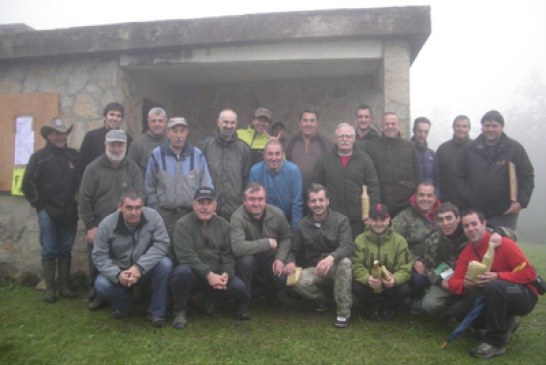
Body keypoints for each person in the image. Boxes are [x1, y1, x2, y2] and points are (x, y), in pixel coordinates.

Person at [445, 209, 538, 359]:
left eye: (474, 224)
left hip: (523, 293)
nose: (471, 229)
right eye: (466, 226)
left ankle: (495, 343)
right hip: (492, 293)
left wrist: (498, 276)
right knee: (458, 312)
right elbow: (454, 282)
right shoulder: (468, 251)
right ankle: (505, 323)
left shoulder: (504, 244)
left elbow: (529, 273)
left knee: (494, 286)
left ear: (484, 224)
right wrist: (465, 284)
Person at [79, 129, 143, 310]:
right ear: (106, 146)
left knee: (131, 256)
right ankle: (98, 293)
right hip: (99, 224)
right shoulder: (92, 168)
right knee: (97, 258)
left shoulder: (132, 167)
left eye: (120, 145)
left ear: (126, 146)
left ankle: (132, 290)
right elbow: (84, 199)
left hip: (128, 224)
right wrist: (90, 226)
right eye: (113, 145)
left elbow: (140, 194)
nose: (116, 149)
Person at [170, 187, 251, 329]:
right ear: (193, 204)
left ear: (215, 205)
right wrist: (208, 274)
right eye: (201, 203)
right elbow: (185, 255)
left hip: (217, 274)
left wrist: (226, 273)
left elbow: (228, 255)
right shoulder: (182, 224)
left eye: (209, 203)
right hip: (194, 273)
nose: (205, 207)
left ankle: (209, 300)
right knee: (181, 273)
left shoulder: (224, 225)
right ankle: (180, 311)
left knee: (239, 287)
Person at [92, 189, 172, 327]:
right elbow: (99, 255)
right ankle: (123, 304)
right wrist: (117, 275)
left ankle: (157, 312)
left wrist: (139, 267)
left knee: (165, 264)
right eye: (129, 208)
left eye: (138, 208)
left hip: (145, 267)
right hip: (119, 269)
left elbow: (163, 244)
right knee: (101, 285)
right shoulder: (107, 224)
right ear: (120, 207)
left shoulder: (153, 217)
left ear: (143, 207)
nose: (134, 212)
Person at [22, 118, 80, 303]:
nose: (61, 137)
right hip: (47, 212)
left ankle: (64, 287)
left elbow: (83, 179)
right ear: (48, 135)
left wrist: (78, 196)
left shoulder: (74, 156)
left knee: (65, 249)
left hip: (70, 211)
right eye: (56, 133)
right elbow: (27, 185)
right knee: (49, 250)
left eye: (63, 133)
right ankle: (50, 289)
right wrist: (40, 206)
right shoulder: (38, 157)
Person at [287, 184, 354, 328]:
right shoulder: (302, 225)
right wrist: (291, 262)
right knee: (294, 281)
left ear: (327, 201)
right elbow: (294, 250)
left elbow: (347, 246)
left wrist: (331, 258)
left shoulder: (341, 220)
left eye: (321, 200)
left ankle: (343, 312)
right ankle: (321, 299)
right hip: (315, 270)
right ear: (309, 204)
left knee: (346, 263)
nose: (317, 204)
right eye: (313, 201)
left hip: (336, 268)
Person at [454, 110, 534, 230]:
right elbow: (458, 177)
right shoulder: (469, 150)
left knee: (503, 247)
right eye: (487, 125)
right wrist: (469, 198)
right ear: (482, 127)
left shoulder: (514, 149)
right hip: (476, 215)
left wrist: (521, 202)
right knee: (479, 248)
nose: (490, 129)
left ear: (502, 127)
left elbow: (527, 176)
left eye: (494, 126)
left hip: (505, 214)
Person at [144, 116, 213, 241]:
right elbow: (149, 185)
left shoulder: (197, 155)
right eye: (175, 131)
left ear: (187, 133)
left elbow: (206, 184)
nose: (179, 135)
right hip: (164, 216)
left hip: (191, 215)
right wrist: (155, 209)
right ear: (168, 133)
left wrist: (203, 208)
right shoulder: (157, 154)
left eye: (182, 131)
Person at [312, 123, 380, 237]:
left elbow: (373, 188)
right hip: (332, 218)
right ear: (335, 139)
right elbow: (316, 186)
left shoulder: (365, 160)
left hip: (358, 219)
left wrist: (373, 212)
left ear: (354, 139)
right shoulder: (324, 160)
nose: (344, 139)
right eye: (341, 136)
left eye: (348, 136)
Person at [230, 183, 292, 306]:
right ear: (244, 201)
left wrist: (280, 259)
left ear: (265, 200)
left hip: (270, 258)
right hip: (247, 259)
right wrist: (266, 243)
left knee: (281, 277)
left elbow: (287, 238)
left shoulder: (277, 213)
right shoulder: (237, 217)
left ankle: (269, 294)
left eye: (260, 199)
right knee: (246, 262)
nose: (256, 203)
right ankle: (243, 301)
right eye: (252, 199)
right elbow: (237, 247)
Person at [352, 203, 412, 320]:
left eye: (383, 219)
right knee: (357, 287)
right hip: (370, 284)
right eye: (374, 219)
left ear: (389, 219)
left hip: (389, 284)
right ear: (368, 220)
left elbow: (405, 268)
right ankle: (370, 307)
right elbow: (356, 266)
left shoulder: (400, 241)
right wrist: (367, 279)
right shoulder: (360, 240)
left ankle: (389, 308)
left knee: (404, 289)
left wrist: (394, 279)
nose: (379, 223)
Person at [392, 182, 440, 310]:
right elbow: (393, 241)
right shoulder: (405, 216)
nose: (425, 199)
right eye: (421, 195)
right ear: (415, 196)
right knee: (417, 280)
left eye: (429, 195)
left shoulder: (444, 214)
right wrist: (414, 261)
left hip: (442, 262)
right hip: (418, 264)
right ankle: (416, 298)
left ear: (435, 198)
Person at [364, 112, 421, 217]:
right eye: (387, 124)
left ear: (399, 126)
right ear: (382, 127)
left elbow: (418, 175)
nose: (390, 127)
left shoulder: (411, 147)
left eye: (393, 124)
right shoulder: (371, 147)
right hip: (379, 203)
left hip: (405, 204)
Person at [199, 109, 251, 219]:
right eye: (226, 122)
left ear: (236, 124)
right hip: (210, 209)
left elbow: (246, 180)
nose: (229, 126)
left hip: (235, 210)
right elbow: (199, 176)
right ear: (218, 122)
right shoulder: (206, 146)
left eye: (232, 123)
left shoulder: (244, 149)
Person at [249, 140, 303, 232]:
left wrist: (295, 232)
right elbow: (252, 202)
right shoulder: (255, 171)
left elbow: (297, 203)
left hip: (286, 222)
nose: (274, 158)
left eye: (277, 154)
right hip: (262, 224)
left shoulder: (293, 171)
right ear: (264, 156)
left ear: (283, 155)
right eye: (270, 154)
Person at [284, 109, 333, 202]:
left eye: (312, 121)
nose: (308, 124)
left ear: (317, 123)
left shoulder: (327, 144)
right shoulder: (288, 143)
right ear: (300, 123)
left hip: (318, 198)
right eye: (305, 120)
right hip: (293, 195)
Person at [79, 102, 132, 177]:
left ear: (121, 120)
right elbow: (81, 164)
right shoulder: (91, 136)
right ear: (105, 117)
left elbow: (129, 166)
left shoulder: (127, 139)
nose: (115, 118)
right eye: (112, 114)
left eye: (118, 116)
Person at [436, 115, 472, 208]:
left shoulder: (476, 149)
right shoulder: (443, 149)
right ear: (453, 127)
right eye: (458, 126)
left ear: (469, 128)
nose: (461, 129)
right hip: (447, 202)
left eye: (464, 126)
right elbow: (436, 175)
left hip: (470, 203)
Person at [127, 107, 168, 177]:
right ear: (148, 123)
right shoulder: (138, 144)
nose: (157, 124)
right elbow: (129, 170)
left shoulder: (172, 143)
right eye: (153, 121)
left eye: (160, 121)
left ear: (165, 122)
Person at [411, 117, 439, 193]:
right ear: (413, 130)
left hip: (429, 198)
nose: (422, 134)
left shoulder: (431, 154)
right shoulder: (406, 151)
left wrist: (436, 194)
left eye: (426, 132)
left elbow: (437, 178)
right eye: (420, 131)